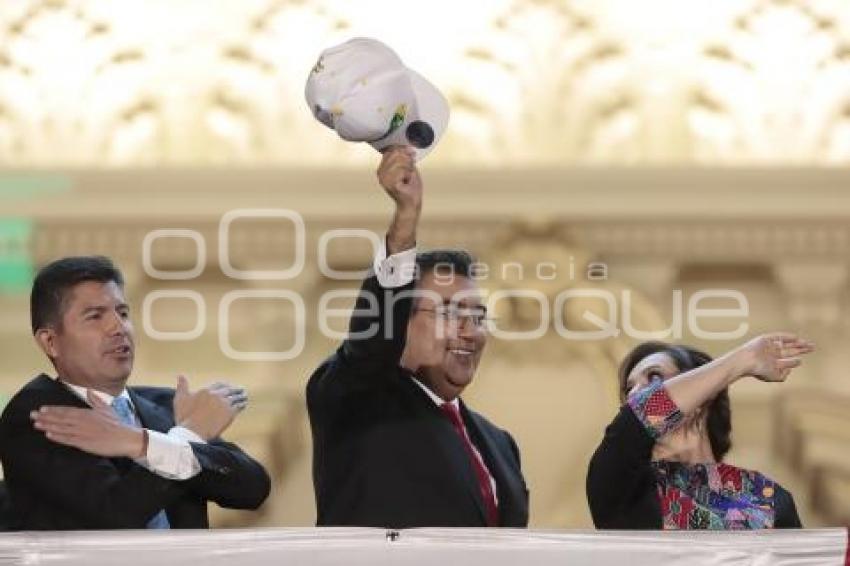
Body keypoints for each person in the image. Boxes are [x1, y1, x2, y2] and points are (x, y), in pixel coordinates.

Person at [307, 147, 529, 528]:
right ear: (401, 323)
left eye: (477, 315)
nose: (470, 330)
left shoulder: (499, 443)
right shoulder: (356, 398)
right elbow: (369, 343)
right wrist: (405, 221)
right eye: (449, 312)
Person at [0, 256, 271, 530]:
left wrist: (140, 444)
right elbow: (115, 514)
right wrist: (187, 437)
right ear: (50, 341)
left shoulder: (166, 405)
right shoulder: (37, 417)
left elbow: (254, 488)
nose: (118, 327)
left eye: (123, 313)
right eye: (95, 316)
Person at [586, 336, 814, 529]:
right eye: (629, 390)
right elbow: (637, 419)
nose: (635, 394)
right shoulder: (622, 487)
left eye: (654, 377)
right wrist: (745, 358)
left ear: (701, 394)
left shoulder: (767, 498)